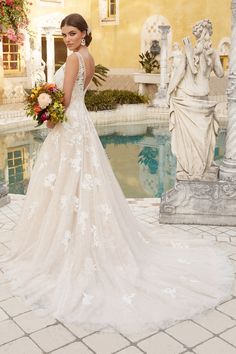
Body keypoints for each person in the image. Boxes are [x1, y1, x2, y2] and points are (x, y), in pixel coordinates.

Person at [0, 14, 233, 334]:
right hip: (82, 125)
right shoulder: (89, 57)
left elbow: (65, 101)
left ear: (84, 34)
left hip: (69, 127)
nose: (67, 39)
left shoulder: (72, 60)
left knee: (68, 183)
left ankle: (64, 246)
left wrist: (48, 115)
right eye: (64, 34)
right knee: (80, 185)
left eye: (72, 33)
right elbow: (76, 97)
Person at [167, 19, 223, 181]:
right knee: (194, 139)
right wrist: (169, 92)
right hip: (189, 99)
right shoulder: (188, 50)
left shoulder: (211, 52)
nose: (203, 36)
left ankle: (200, 168)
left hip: (200, 100)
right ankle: (191, 169)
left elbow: (219, 73)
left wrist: (213, 56)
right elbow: (178, 74)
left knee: (202, 138)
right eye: (201, 33)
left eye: (205, 33)